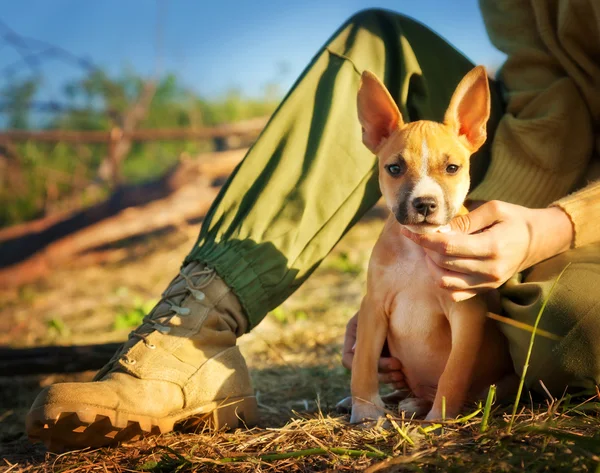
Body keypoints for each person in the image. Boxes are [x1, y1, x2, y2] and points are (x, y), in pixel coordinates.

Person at [27, 0, 600, 450]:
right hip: (514, 160)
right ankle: (192, 334)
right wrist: (407, 286)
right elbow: (546, 88)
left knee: (562, 336)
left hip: (582, 230)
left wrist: (554, 226)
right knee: (375, 35)